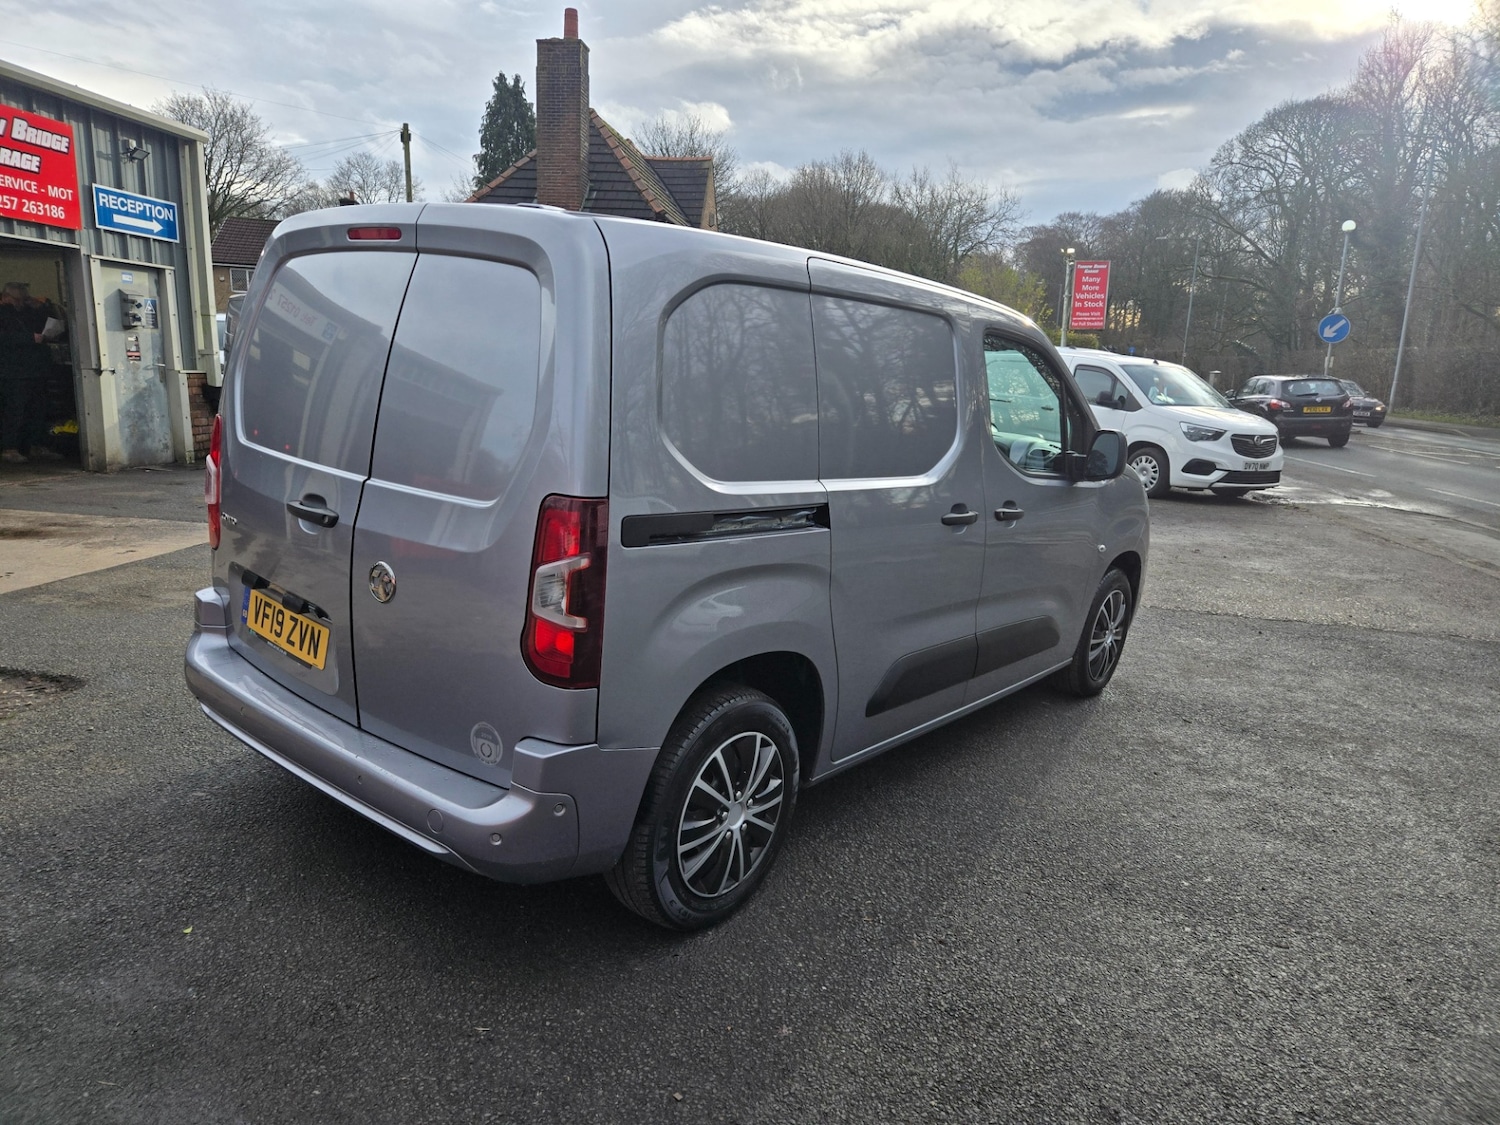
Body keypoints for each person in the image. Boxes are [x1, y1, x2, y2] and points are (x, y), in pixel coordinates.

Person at [0, 282, 63, 462]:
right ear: (6, 297)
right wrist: (28, 338)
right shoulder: (3, 314)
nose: (20, 303)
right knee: (14, 410)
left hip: (36, 368)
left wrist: (44, 306)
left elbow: (54, 323)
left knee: (38, 409)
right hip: (12, 372)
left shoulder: (30, 312)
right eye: (17, 299)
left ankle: (36, 445)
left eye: (24, 298)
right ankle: (9, 447)